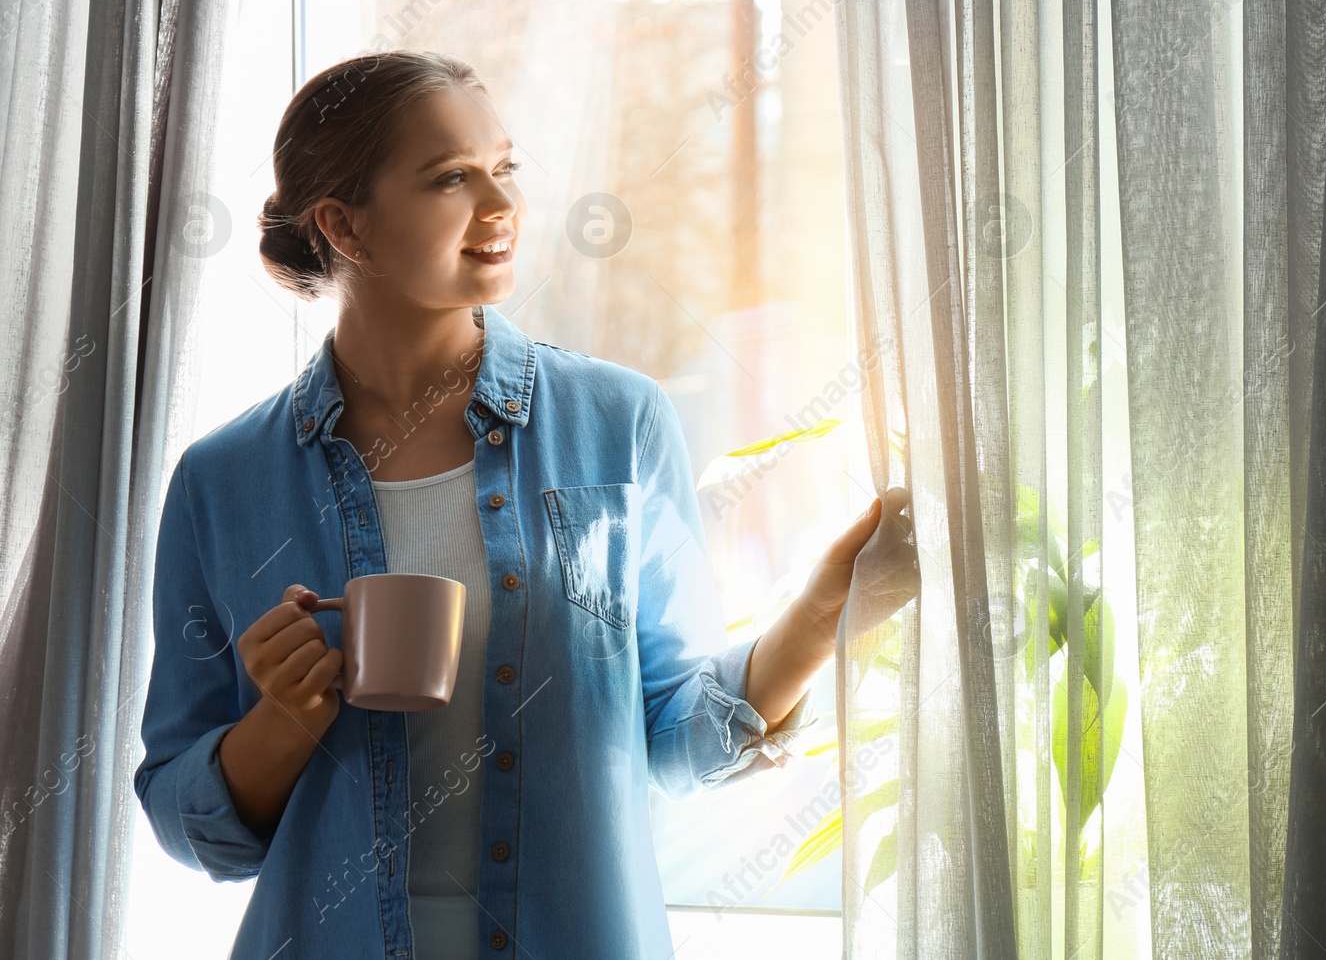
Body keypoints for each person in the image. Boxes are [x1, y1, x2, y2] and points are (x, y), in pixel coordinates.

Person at [133, 49, 884, 959]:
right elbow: (189, 821)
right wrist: (282, 721)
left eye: (505, 168)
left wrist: (819, 614)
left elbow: (678, 737)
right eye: (452, 178)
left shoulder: (619, 422)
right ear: (346, 226)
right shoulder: (223, 480)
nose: (502, 207)